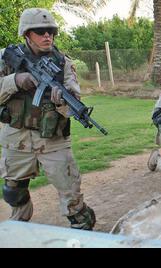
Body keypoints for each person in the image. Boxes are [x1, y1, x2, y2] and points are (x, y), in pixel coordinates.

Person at [0, 8, 95, 230]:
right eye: (40, 31)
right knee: (13, 191)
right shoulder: (6, 58)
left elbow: (73, 103)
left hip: (53, 140)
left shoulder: (63, 64)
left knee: (72, 198)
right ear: (26, 34)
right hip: (16, 137)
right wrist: (14, 80)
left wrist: (62, 102)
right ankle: (20, 226)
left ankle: (83, 229)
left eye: (51, 31)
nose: (47, 36)